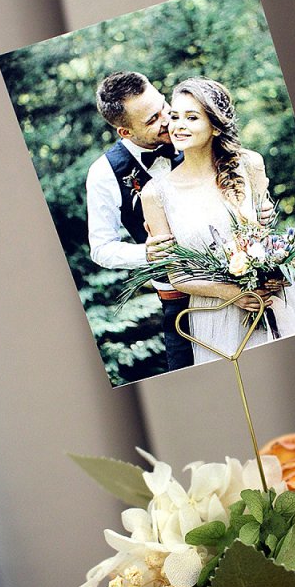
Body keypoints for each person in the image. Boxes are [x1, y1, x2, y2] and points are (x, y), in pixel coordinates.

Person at [141, 77, 295, 366]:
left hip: (275, 297)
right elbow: (178, 276)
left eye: (191, 117)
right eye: (175, 116)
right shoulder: (155, 193)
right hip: (218, 313)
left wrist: (272, 271)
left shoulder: (250, 164)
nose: (178, 126)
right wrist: (233, 293)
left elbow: (265, 239)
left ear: (216, 126)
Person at [86, 71, 193, 371]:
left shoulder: (193, 130)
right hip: (177, 302)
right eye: (152, 120)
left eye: (163, 105)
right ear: (125, 132)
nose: (167, 119)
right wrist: (146, 253)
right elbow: (101, 248)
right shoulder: (104, 174)